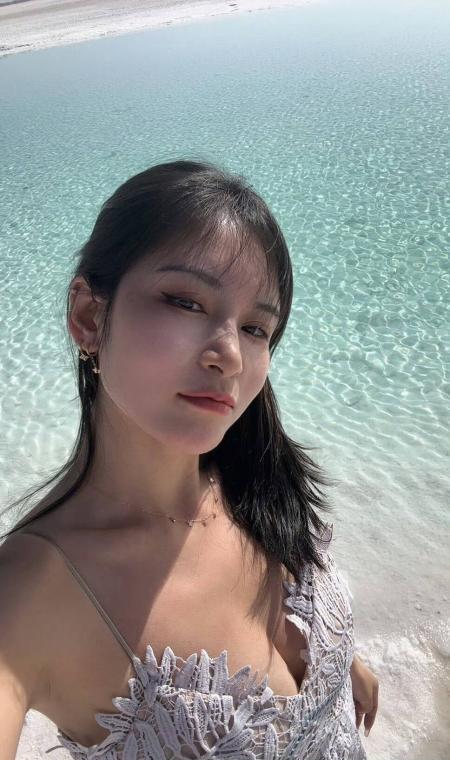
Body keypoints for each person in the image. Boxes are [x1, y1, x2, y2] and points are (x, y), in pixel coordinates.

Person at [0, 159, 378, 759]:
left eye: (256, 329)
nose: (229, 355)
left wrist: (339, 662)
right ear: (90, 316)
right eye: (185, 302)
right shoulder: (31, 593)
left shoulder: (252, 479)